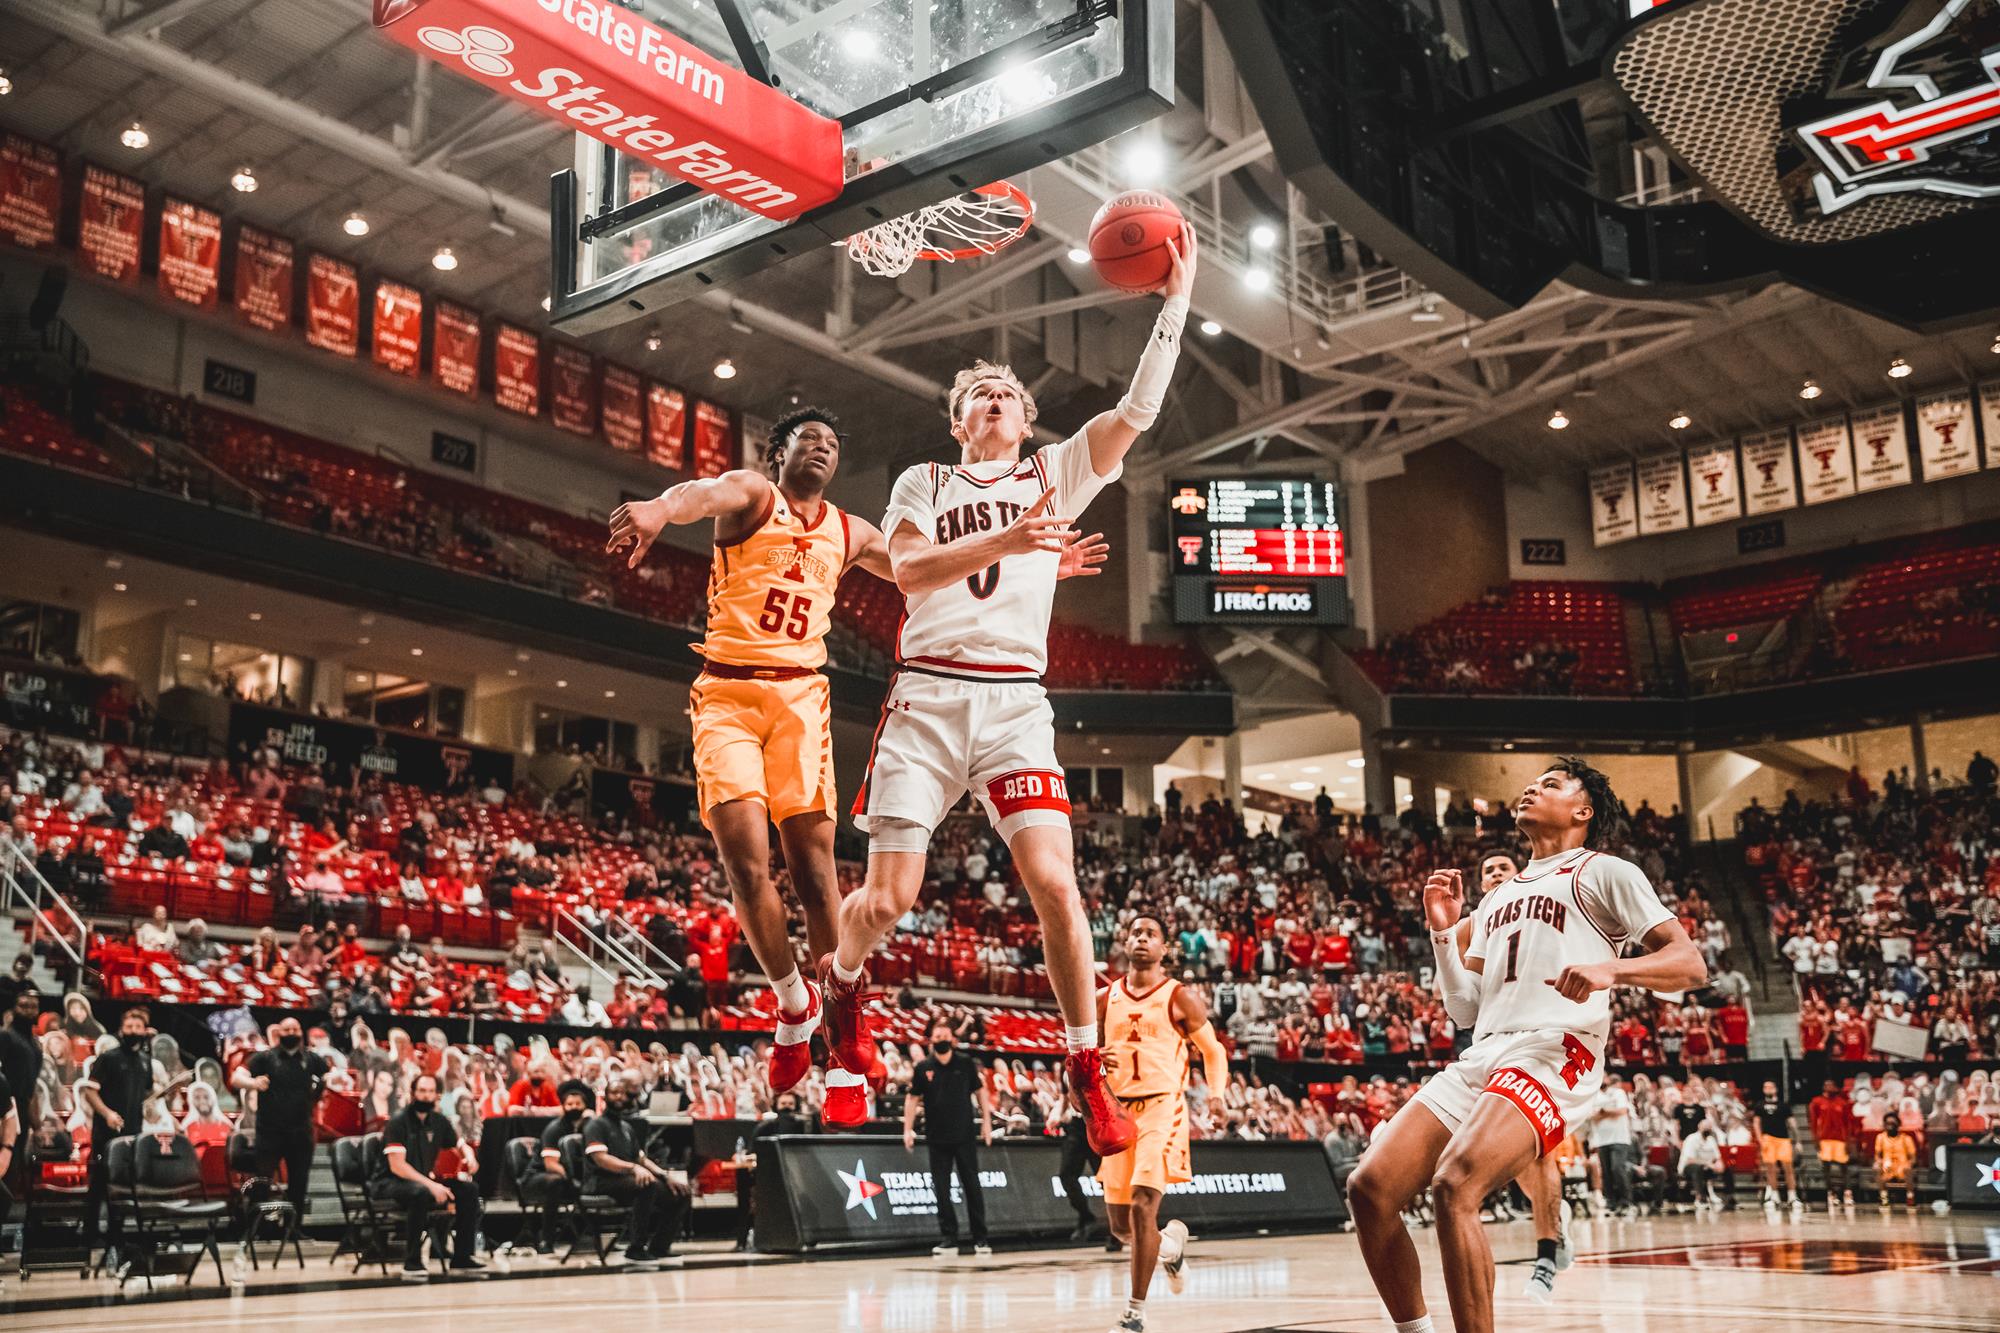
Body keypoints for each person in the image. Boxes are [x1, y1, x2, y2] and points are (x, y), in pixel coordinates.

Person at [819, 225, 1199, 1150]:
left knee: (1057, 887)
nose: (994, 398)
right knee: (887, 902)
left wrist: (1174, 304)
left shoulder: (1055, 472)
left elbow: (1137, 411)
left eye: (1007, 394)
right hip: (927, 700)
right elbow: (907, 574)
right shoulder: (926, 478)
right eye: (978, 394)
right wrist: (1012, 543)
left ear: (1027, 421)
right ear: (959, 422)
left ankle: (1084, 1067)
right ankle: (840, 989)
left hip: (1016, 707)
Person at [608, 408, 1106, 1100]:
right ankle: (791, 1003)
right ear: (778, 452)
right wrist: (661, 508)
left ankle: (844, 1038)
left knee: (817, 877)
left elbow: (927, 573)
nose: (821, 449)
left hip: (802, 698)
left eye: (833, 443)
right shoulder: (754, 493)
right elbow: (700, 492)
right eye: (808, 439)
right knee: (747, 860)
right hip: (726, 692)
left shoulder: (849, 530)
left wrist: (1038, 564)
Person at [1345, 758, 1707, 1333]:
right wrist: (1443, 932)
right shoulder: (1497, 897)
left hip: (1558, 1049)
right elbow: (1465, 1009)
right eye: (1533, 782)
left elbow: (1689, 964)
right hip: (1487, 1050)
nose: (1533, 788)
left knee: (1455, 1183)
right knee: (1368, 1189)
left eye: (1552, 784)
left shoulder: (1605, 872)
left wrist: (1612, 969)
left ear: (1583, 811)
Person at [1449, 852, 1574, 1305]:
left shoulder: (1540, 901)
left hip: (1541, 1040)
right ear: (1480, 884)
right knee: (1516, 1159)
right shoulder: (1468, 926)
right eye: (1489, 871)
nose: (1497, 874)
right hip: (1486, 1039)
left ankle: (1545, 1255)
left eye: (1504, 867)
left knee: (1537, 1153)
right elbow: (1458, 995)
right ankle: (1555, 1221)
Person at [1096, 916, 1229, 1333]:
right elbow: (1082, 1054)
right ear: (1124, 942)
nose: (1141, 938)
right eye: (1135, 932)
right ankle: (1171, 1246)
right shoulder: (1104, 998)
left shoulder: (1179, 997)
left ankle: (1134, 1312)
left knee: (1141, 1206)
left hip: (1162, 1108)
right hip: (1116, 1113)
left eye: (1150, 934)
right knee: (1121, 1228)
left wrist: (1216, 1093)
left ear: (1164, 948)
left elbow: (1214, 1051)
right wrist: (1095, 1061)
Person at [371, 1072, 483, 1278]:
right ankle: (412, 1261)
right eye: (422, 1091)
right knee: (420, 1192)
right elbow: (397, 1167)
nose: (426, 1096)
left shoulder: (438, 1121)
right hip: (389, 1183)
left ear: (437, 1096)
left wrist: (468, 1154)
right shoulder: (398, 1122)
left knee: (468, 1190)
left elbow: (458, 1144)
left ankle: (463, 1257)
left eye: (431, 1091)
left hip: (420, 1181)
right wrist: (432, 1185)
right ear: (413, 1093)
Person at [582, 1071, 690, 1267]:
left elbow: (641, 1158)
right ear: (605, 1096)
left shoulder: (626, 1127)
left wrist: (666, 1176)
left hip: (625, 1179)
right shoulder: (596, 1125)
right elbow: (601, 1159)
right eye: (614, 1093)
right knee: (645, 1185)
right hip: (600, 1180)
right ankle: (635, 1248)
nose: (619, 1097)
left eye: (623, 1093)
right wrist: (633, 1169)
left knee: (681, 1192)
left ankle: (659, 1247)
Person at [905, 1017, 993, 1258]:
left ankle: (981, 1239)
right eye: (937, 1036)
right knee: (942, 1190)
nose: (941, 1039)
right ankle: (949, 1239)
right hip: (937, 1137)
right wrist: (907, 1129)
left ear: (952, 1039)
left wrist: (986, 1122)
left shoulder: (965, 1063)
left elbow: (981, 1091)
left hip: (964, 1135)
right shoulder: (923, 1067)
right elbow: (912, 1098)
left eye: (945, 1036)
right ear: (931, 1039)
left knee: (972, 1187)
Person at [78, 1006, 158, 1265]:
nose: (133, 1031)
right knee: (100, 1184)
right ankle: (90, 1235)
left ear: (144, 1031)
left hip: (134, 1134)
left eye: (138, 1027)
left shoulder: (146, 1062)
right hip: (106, 1133)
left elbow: (145, 1093)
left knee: (124, 1186)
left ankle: (116, 1235)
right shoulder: (109, 1057)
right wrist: (108, 1114)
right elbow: (90, 1092)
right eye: (129, 1027)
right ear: (121, 1029)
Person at [231, 1015, 327, 1219]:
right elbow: (236, 1078)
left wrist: (317, 1093)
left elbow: (330, 1077)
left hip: (301, 1133)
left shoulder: (312, 1059)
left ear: (301, 1033)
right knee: (262, 1182)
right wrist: (253, 1084)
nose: (292, 1033)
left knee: (299, 1183)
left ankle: (294, 1229)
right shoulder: (265, 1058)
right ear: (278, 1033)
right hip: (269, 1133)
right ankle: (256, 1227)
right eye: (287, 1030)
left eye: (296, 1029)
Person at [524, 1079, 593, 1253]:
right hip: (538, 1176)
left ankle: (592, 1235)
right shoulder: (554, 1129)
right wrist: (572, 1179)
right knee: (555, 1182)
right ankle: (546, 1239)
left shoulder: (589, 1127)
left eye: (578, 1103)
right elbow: (550, 1165)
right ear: (563, 1106)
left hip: (569, 1176)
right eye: (569, 1104)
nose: (574, 1107)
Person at [1809, 1077, 1856, 1210]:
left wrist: (1848, 1141)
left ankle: (1847, 1194)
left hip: (1840, 1139)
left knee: (1844, 1168)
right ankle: (1832, 1194)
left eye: (1831, 1085)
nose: (1829, 1087)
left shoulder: (1842, 1103)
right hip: (1824, 1139)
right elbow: (1813, 1122)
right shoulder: (1816, 1102)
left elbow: (1848, 1124)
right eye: (1826, 1085)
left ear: (1835, 1087)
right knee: (1826, 1168)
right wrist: (1815, 1139)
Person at [1755, 1078, 1801, 1211]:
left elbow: (1792, 1123)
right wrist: (1760, 1139)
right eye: (1765, 1087)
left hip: (1783, 1140)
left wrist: (1797, 1140)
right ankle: (1774, 1197)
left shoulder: (1784, 1105)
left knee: (1788, 1168)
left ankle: (1792, 1196)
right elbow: (1756, 1123)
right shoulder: (1760, 1105)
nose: (1768, 1089)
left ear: (1776, 1089)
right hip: (1768, 1139)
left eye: (1770, 1087)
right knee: (1771, 1169)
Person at [1872, 1115, 1917, 1213]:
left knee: (1908, 1169)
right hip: (1887, 1166)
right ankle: (1884, 1198)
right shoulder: (1880, 1137)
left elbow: (1913, 1157)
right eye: (1887, 1123)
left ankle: (1910, 1198)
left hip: (1902, 1166)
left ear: (1898, 1125)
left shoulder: (1906, 1138)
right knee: (1878, 1168)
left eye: (1892, 1123)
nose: (1890, 1126)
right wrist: (1879, 1161)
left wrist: (1910, 1163)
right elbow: (1877, 1155)